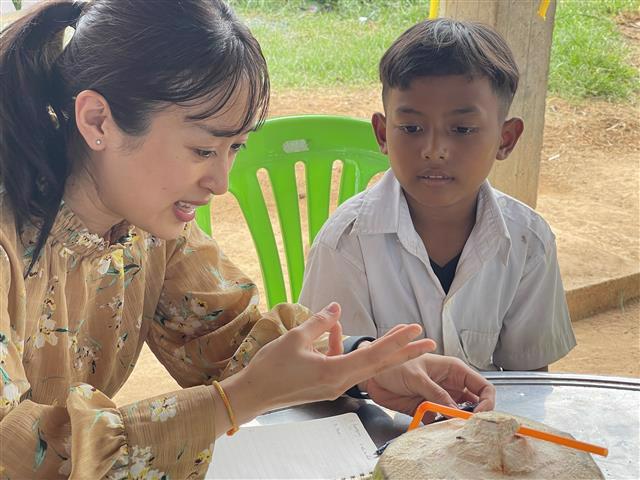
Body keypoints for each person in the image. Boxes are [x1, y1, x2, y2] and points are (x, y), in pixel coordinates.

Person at [0, 2, 495, 478]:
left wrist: (363, 365)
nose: (220, 182)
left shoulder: (149, 229)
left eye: (235, 147)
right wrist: (237, 400)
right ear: (97, 121)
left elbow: (229, 340)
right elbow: (15, 452)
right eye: (202, 149)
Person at [299, 18, 576, 372]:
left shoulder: (529, 242)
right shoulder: (346, 245)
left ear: (505, 140)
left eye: (462, 129)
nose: (434, 150)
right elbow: (327, 376)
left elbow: (530, 380)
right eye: (411, 128)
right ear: (383, 134)